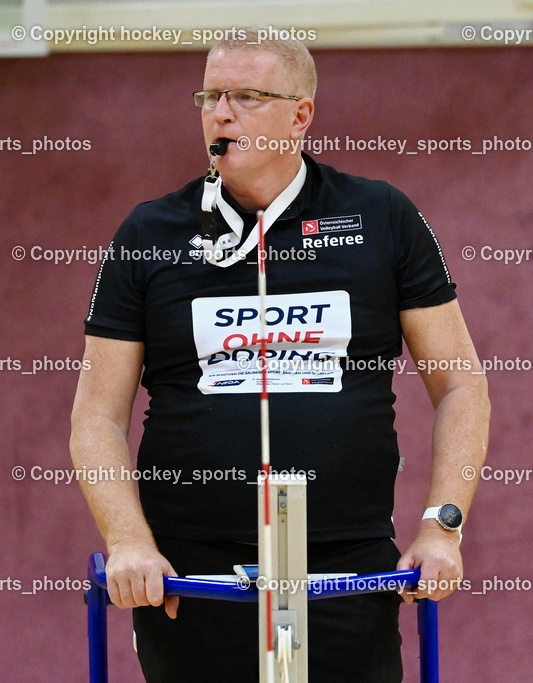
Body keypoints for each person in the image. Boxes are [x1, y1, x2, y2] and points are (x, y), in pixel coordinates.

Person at [70, 30, 490, 682]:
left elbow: (462, 385)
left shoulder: (380, 216)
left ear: (300, 114)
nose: (220, 112)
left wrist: (442, 527)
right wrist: (128, 541)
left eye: (245, 96)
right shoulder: (150, 233)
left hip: (345, 566)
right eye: (209, 95)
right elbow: (96, 413)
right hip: (195, 575)